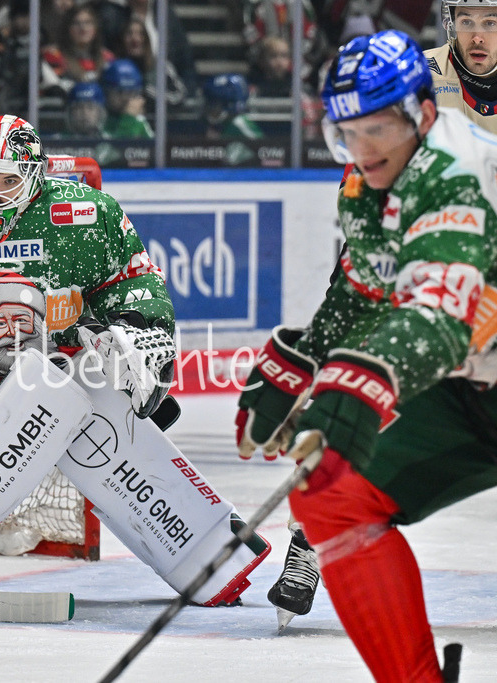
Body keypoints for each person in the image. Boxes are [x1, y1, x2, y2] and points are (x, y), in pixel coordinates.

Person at [0, 114, 270, 615]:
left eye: (9, 179)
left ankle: (210, 553)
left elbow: (133, 283)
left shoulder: (86, 214)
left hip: (63, 374)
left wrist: (137, 335)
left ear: (37, 174)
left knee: (105, 436)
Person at [238, 29, 497, 680]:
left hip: (469, 361)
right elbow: (362, 286)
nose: (362, 149)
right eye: (345, 132)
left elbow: (440, 316)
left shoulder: (458, 171)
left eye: (378, 128)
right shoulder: (365, 185)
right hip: (475, 389)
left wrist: (365, 378)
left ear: (425, 113)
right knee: (332, 494)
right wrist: (306, 360)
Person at [426, 0, 497, 134]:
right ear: (451, 23)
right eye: (466, 22)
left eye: (490, 23)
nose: (477, 38)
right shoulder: (422, 74)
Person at [100, 59, 153, 140]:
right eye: (119, 91)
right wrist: (128, 119)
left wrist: (131, 118)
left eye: (131, 92)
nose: (125, 98)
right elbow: (111, 150)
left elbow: (153, 149)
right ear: (107, 92)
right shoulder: (100, 120)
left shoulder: (139, 121)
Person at [202, 73, 264, 140]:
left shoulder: (239, 124)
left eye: (214, 104)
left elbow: (262, 148)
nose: (210, 108)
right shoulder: (216, 124)